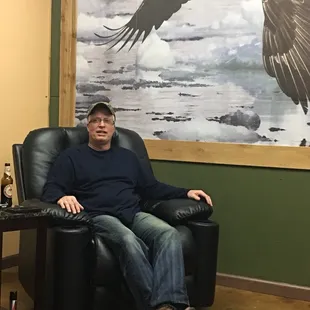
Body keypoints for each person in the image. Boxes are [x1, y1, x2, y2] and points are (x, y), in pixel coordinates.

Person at [41, 101, 213, 310]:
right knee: (128, 240)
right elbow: (50, 189)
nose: (101, 125)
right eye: (95, 120)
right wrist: (62, 197)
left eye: (106, 121)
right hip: (99, 216)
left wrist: (186, 192)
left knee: (168, 234)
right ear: (88, 127)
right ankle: (156, 306)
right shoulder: (71, 157)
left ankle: (171, 303)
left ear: (114, 129)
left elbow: (152, 187)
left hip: (133, 213)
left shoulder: (128, 158)